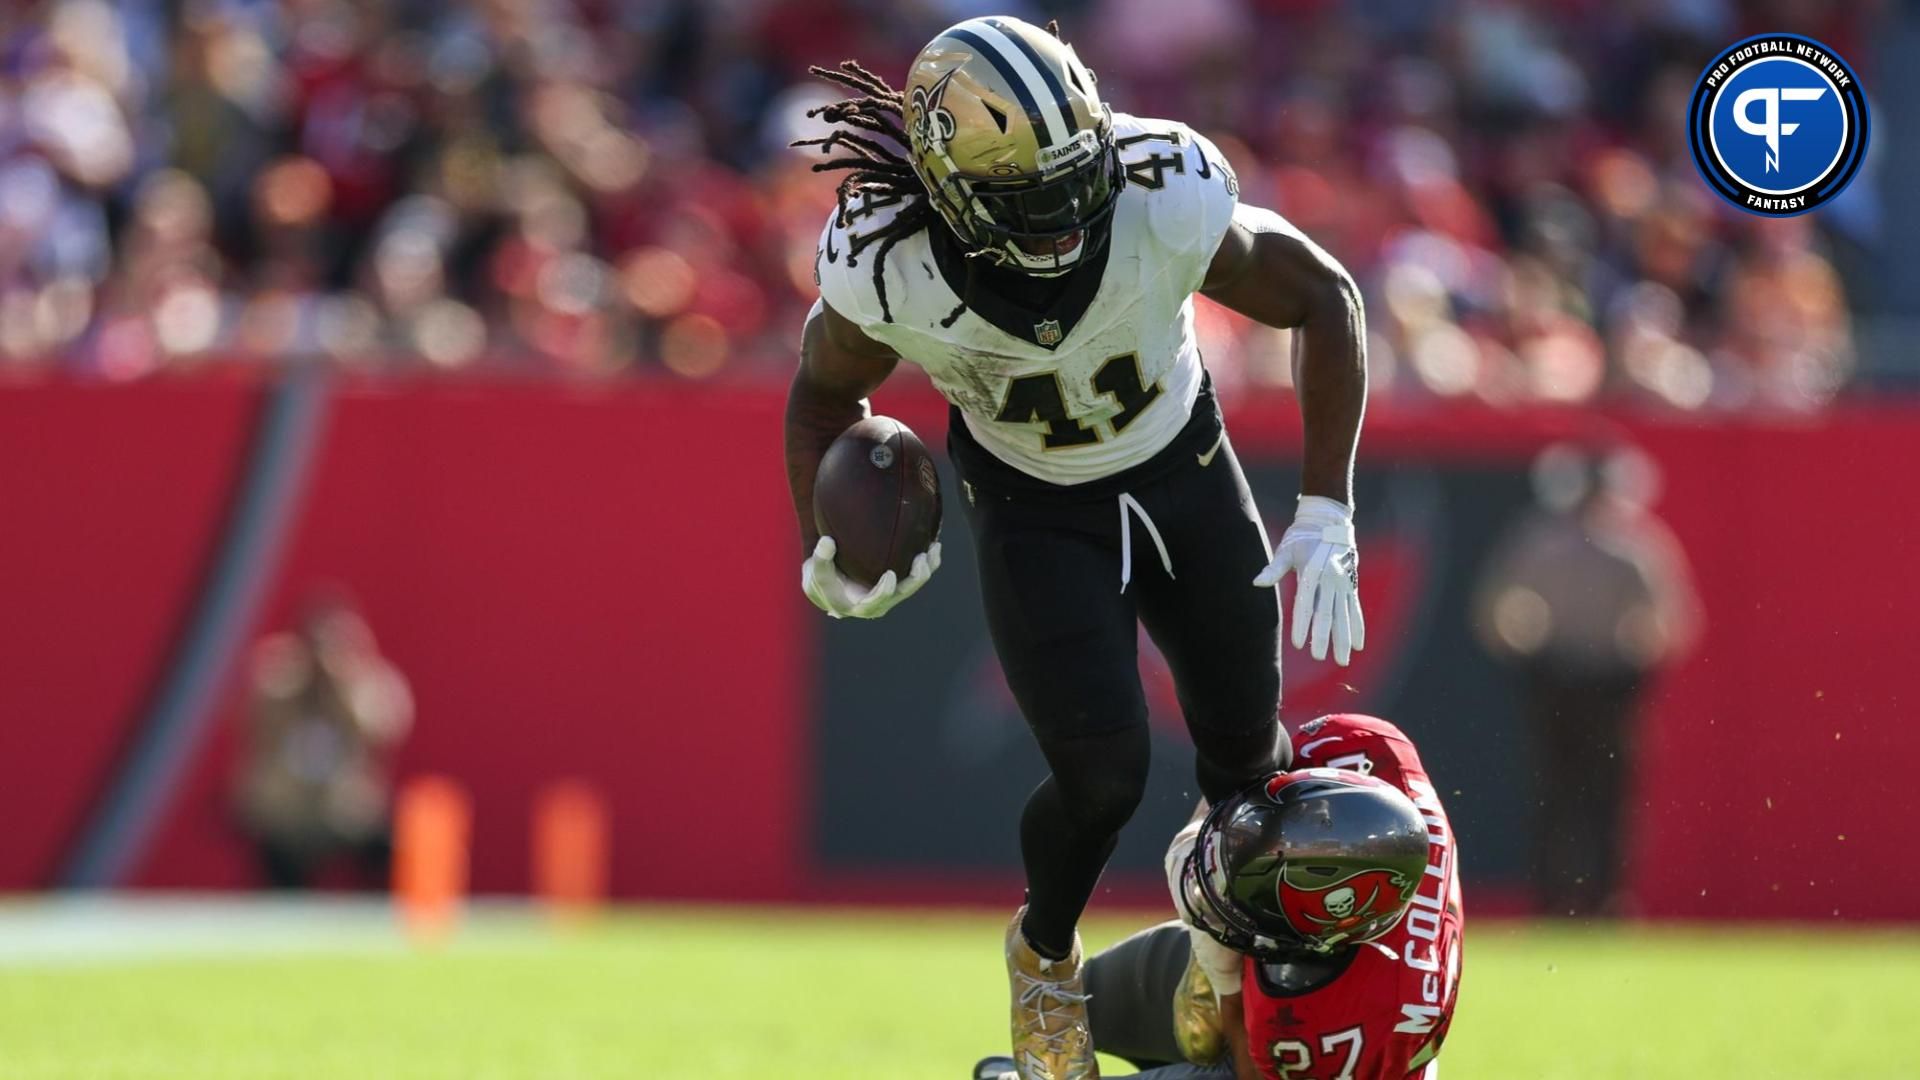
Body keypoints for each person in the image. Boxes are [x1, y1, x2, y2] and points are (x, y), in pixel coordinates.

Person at [781, 17, 1369, 1078]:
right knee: (1102, 778)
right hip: (1031, 501)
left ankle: (1217, 955)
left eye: (1076, 180)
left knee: (1251, 761)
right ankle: (1045, 956)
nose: (1068, 217)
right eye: (1030, 197)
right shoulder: (890, 263)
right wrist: (826, 537)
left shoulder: (1159, 185)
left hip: (1180, 464)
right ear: (954, 192)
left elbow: (1321, 292)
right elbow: (823, 394)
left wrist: (1327, 505)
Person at [973, 714, 1462, 1080]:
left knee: (1201, 1044)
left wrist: (1225, 977)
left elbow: (1250, 1059)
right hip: (1287, 988)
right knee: (1094, 995)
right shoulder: (1365, 750)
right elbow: (1241, 768)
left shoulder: (1331, 1024)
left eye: (1253, 902)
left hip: (1319, 1065)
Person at [1472, 442, 1700, 916]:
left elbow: (1494, 610)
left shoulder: (1546, 539)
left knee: (1572, 794)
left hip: (1571, 676)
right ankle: (1593, 900)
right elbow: (1670, 624)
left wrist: (1524, 650)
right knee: (1588, 795)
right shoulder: (1631, 545)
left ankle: (1575, 899)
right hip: (1595, 678)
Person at [232, 592, 414, 890]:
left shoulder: (368, 683)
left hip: (347, 812)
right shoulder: (278, 681)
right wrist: (294, 680)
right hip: (286, 814)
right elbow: (249, 718)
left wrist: (343, 687)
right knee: (281, 885)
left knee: (392, 852)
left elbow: (383, 729)